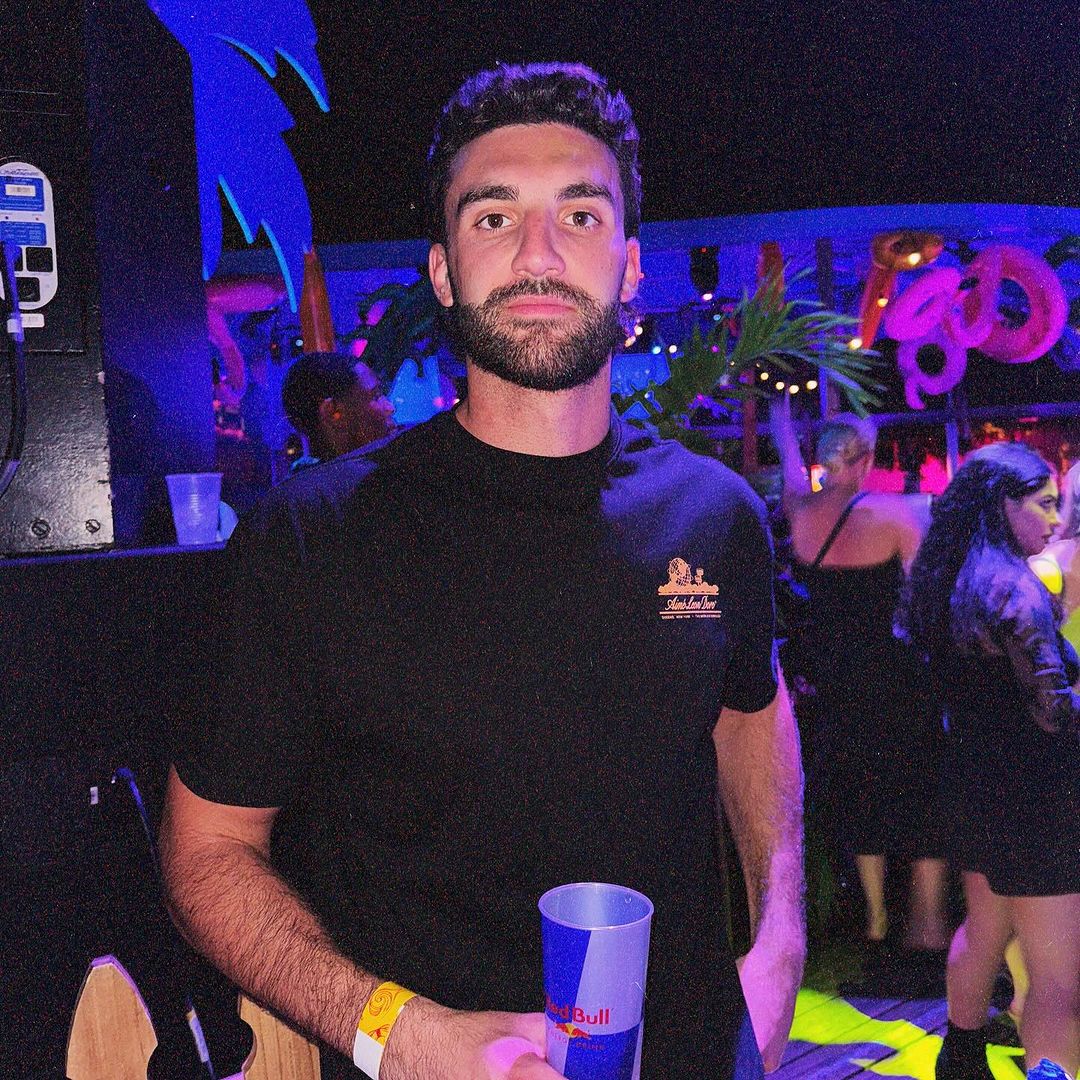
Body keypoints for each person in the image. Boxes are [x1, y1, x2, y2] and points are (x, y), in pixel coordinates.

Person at [160, 62, 805, 1080]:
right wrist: (402, 1034)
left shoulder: (716, 517)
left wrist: (780, 937)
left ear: (631, 266)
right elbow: (205, 853)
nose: (539, 254)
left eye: (581, 217)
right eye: (494, 218)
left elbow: (750, 715)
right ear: (444, 271)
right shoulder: (312, 539)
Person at [897, 442, 1080, 1080]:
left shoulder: (946, 581)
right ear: (1004, 505)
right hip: (1037, 800)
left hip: (975, 788)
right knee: (1058, 981)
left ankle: (962, 1056)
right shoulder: (1015, 589)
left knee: (984, 931)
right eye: (1044, 505)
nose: (1056, 520)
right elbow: (1054, 713)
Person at [771, 392, 949, 954]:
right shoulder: (900, 515)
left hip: (837, 681)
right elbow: (926, 602)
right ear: (867, 458)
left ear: (824, 461)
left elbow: (793, 481)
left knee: (861, 791)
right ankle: (927, 922)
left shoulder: (802, 514)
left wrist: (783, 433)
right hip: (898, 676)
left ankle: (874, 919)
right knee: (921, 790)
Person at [281, 351, 395, 467]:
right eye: (375, 396)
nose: (390, 408)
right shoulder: (375, 475)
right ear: (333, 413)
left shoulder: (312, 477)